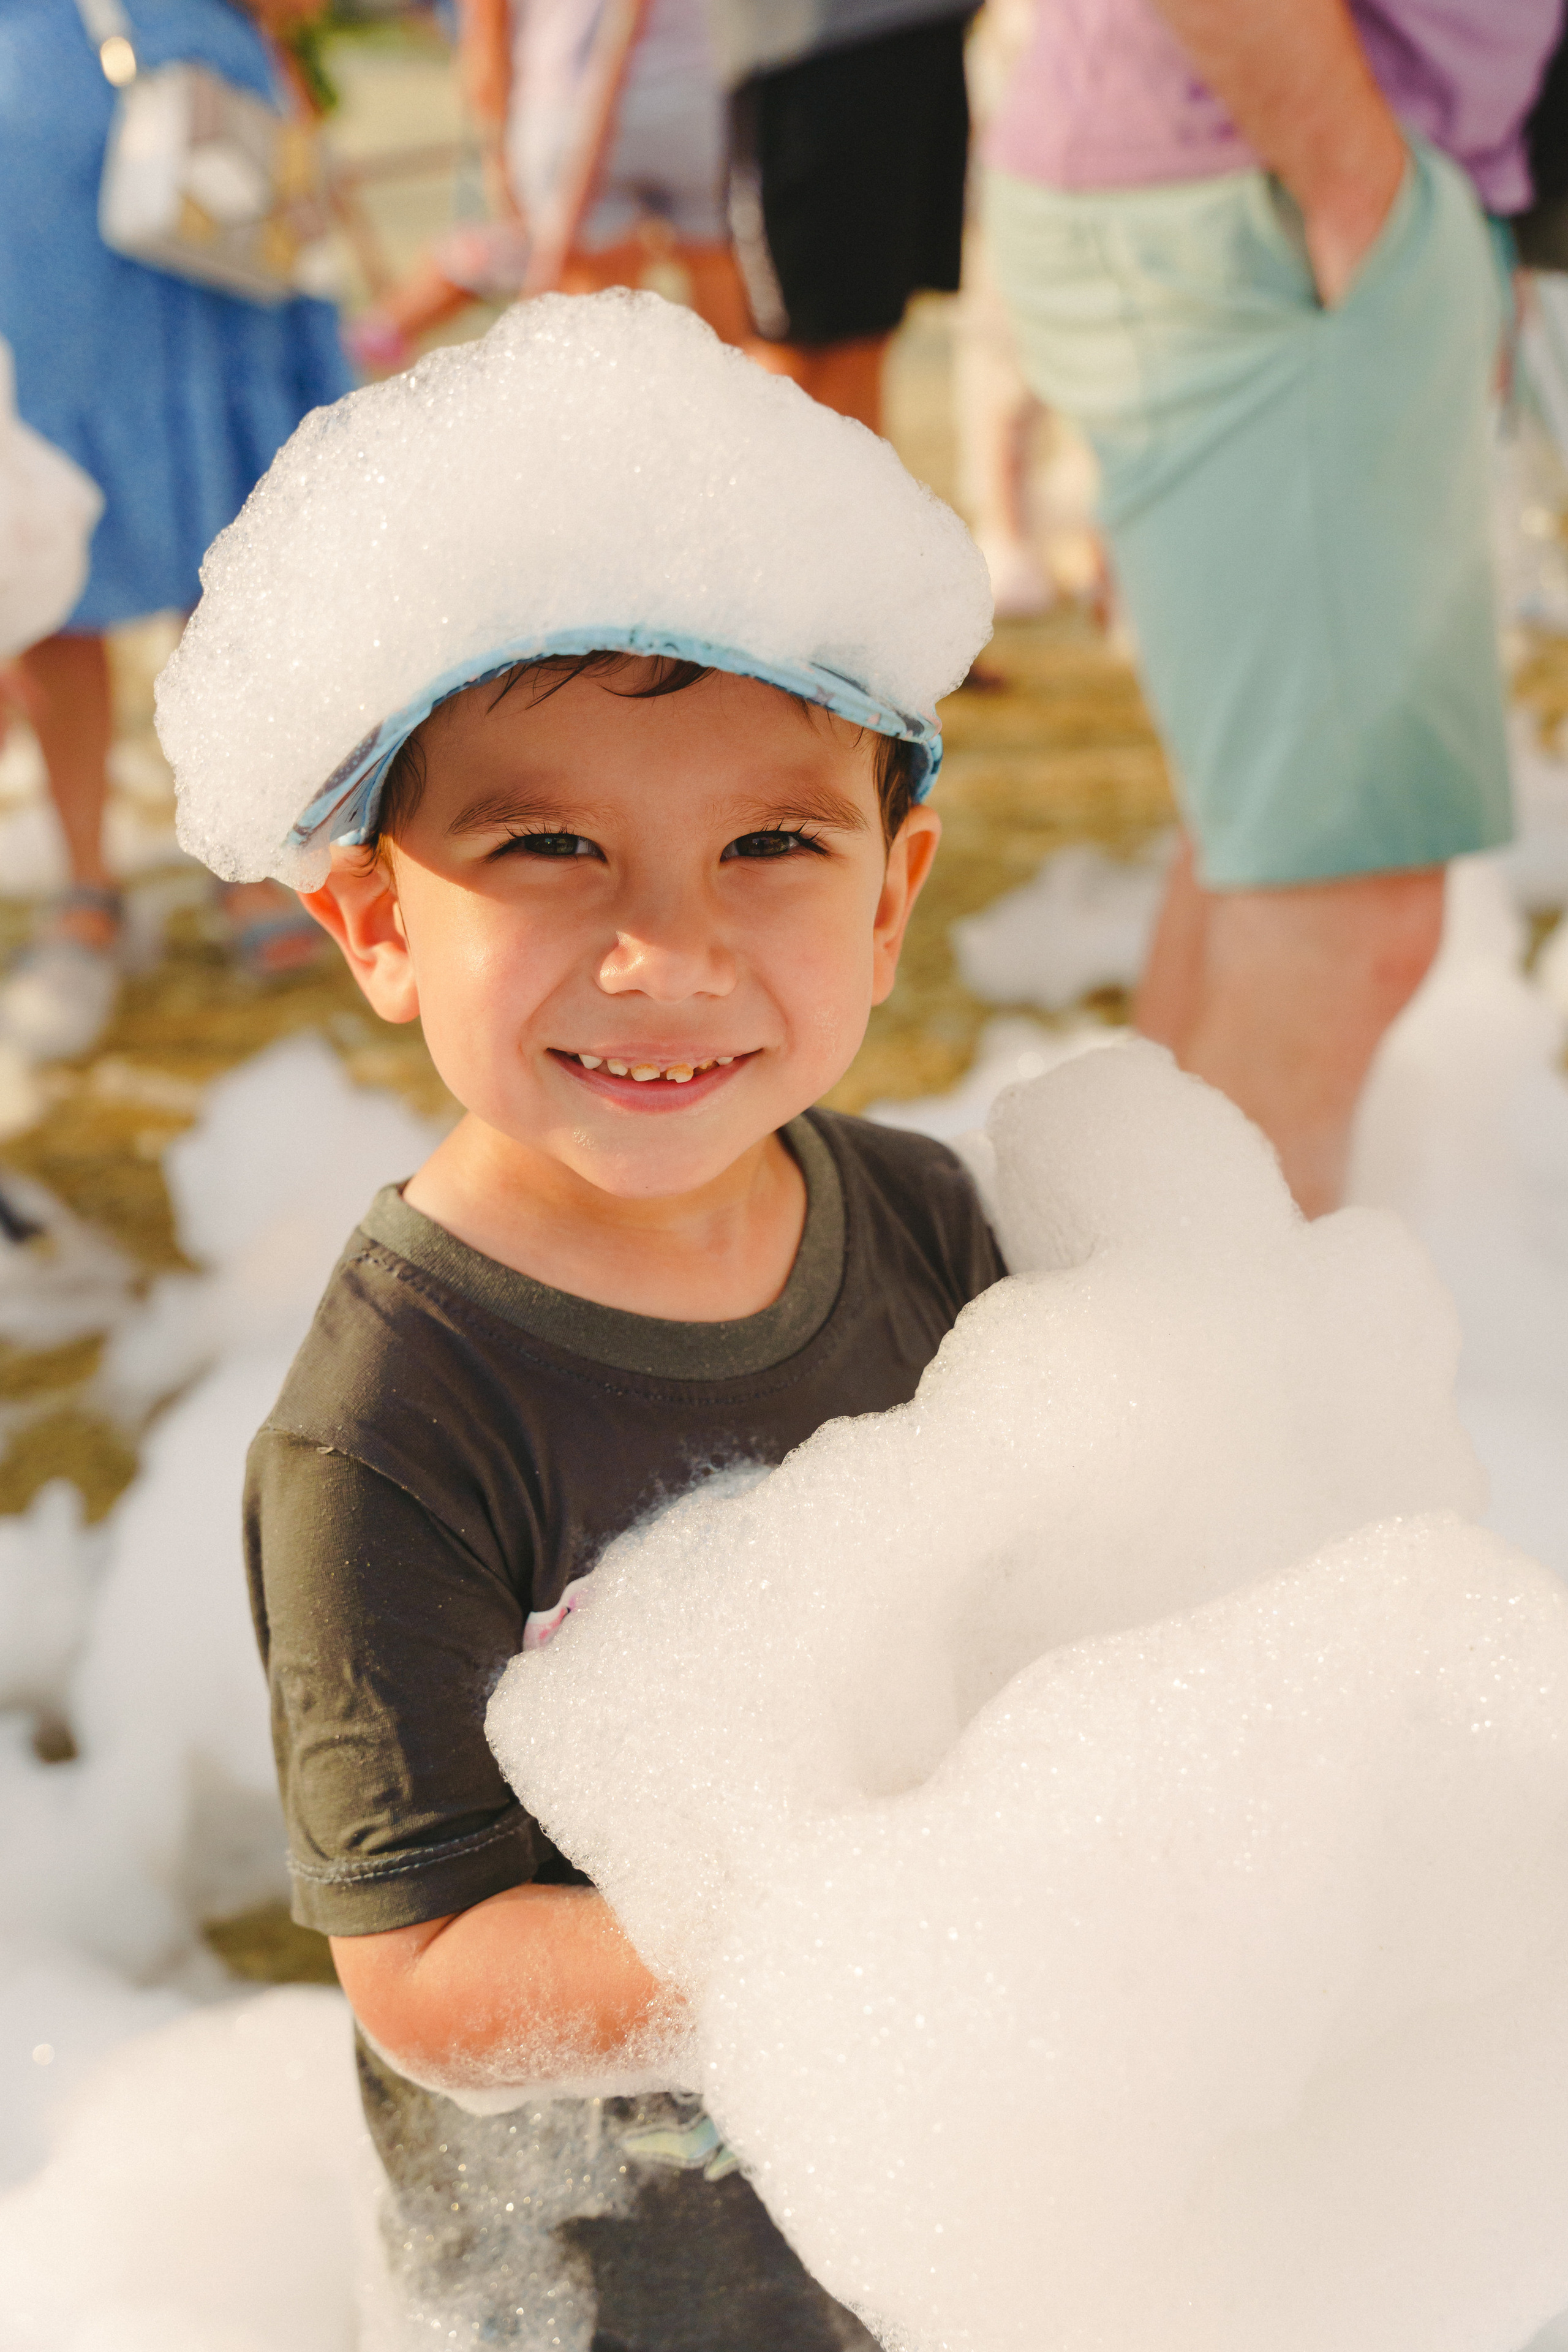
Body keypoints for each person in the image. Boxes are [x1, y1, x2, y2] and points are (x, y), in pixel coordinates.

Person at [156, 289, 996, 2340]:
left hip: (919, 2183)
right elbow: (434, 1986)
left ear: (892, 900)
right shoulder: (394, 1425)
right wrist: (864, 1925)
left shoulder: (923, 1221)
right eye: (549, 845)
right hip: (606, 2276)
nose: (666, 952)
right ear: (372, 922)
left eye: (771, 845)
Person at [984, 0, 1562, 1215]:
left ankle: (1123, 1320)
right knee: (1342, 907)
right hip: (1262, 195)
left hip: (1268, 187)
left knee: (1265, 852)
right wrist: (1359, 184)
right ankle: (1206, 1385)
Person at [0, 0, 352, 1062]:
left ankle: (241, 853)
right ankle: (84, 877)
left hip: (199, 108)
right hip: (30, 149)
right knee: (49, 537)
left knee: (227, 539)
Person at [348, 0, 752, 371]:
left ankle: (380, 333)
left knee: (598, 341)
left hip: (565, 105)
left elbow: (487, 35)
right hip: (699, 96)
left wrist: (497, 150)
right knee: (730, 338)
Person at [716, 0, 975, 431]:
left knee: (866, 338)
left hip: (918, 32)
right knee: (790, 354)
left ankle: (858, 499)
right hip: (804, 50)